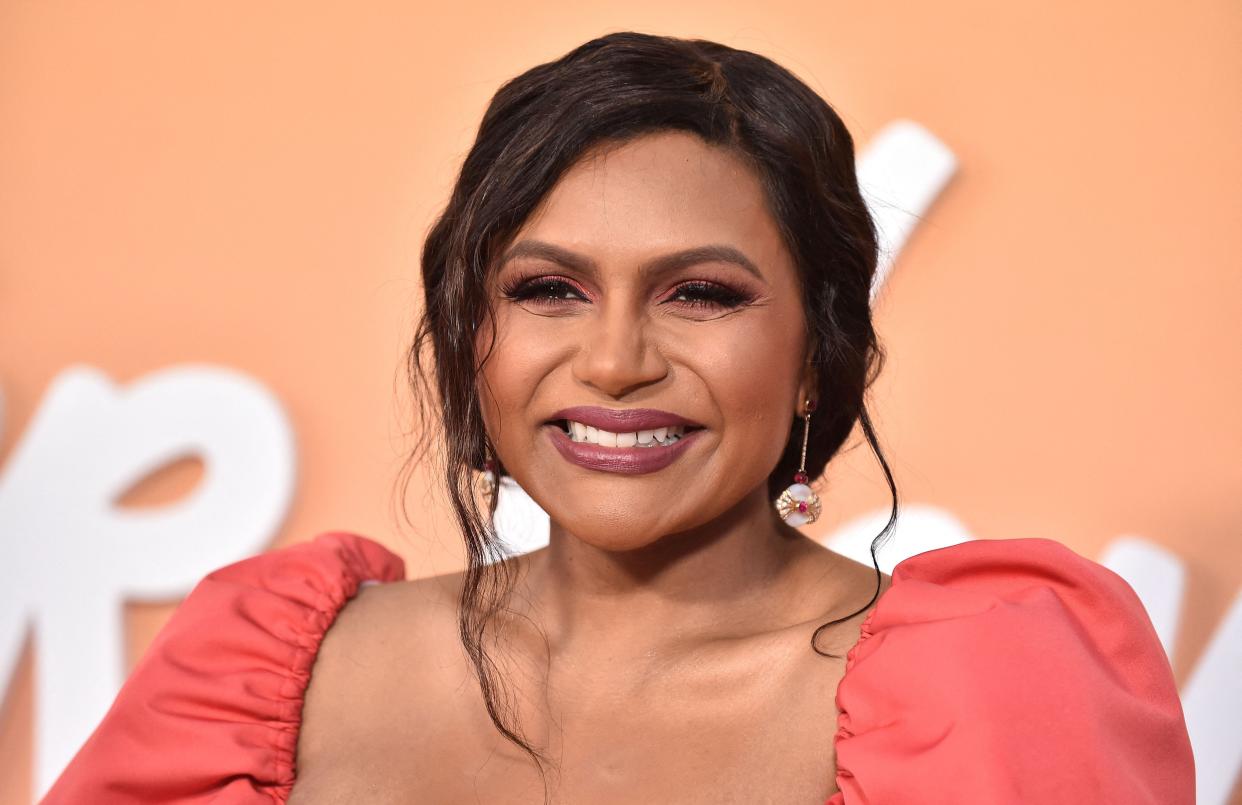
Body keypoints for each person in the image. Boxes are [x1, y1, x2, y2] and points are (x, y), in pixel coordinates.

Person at [43, 31, 1194, 804]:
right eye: (548, 289)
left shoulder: (990, 699)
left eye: (702, 294)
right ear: (468, 335)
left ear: (818, 355)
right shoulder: (265, 671)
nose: (614, 360)